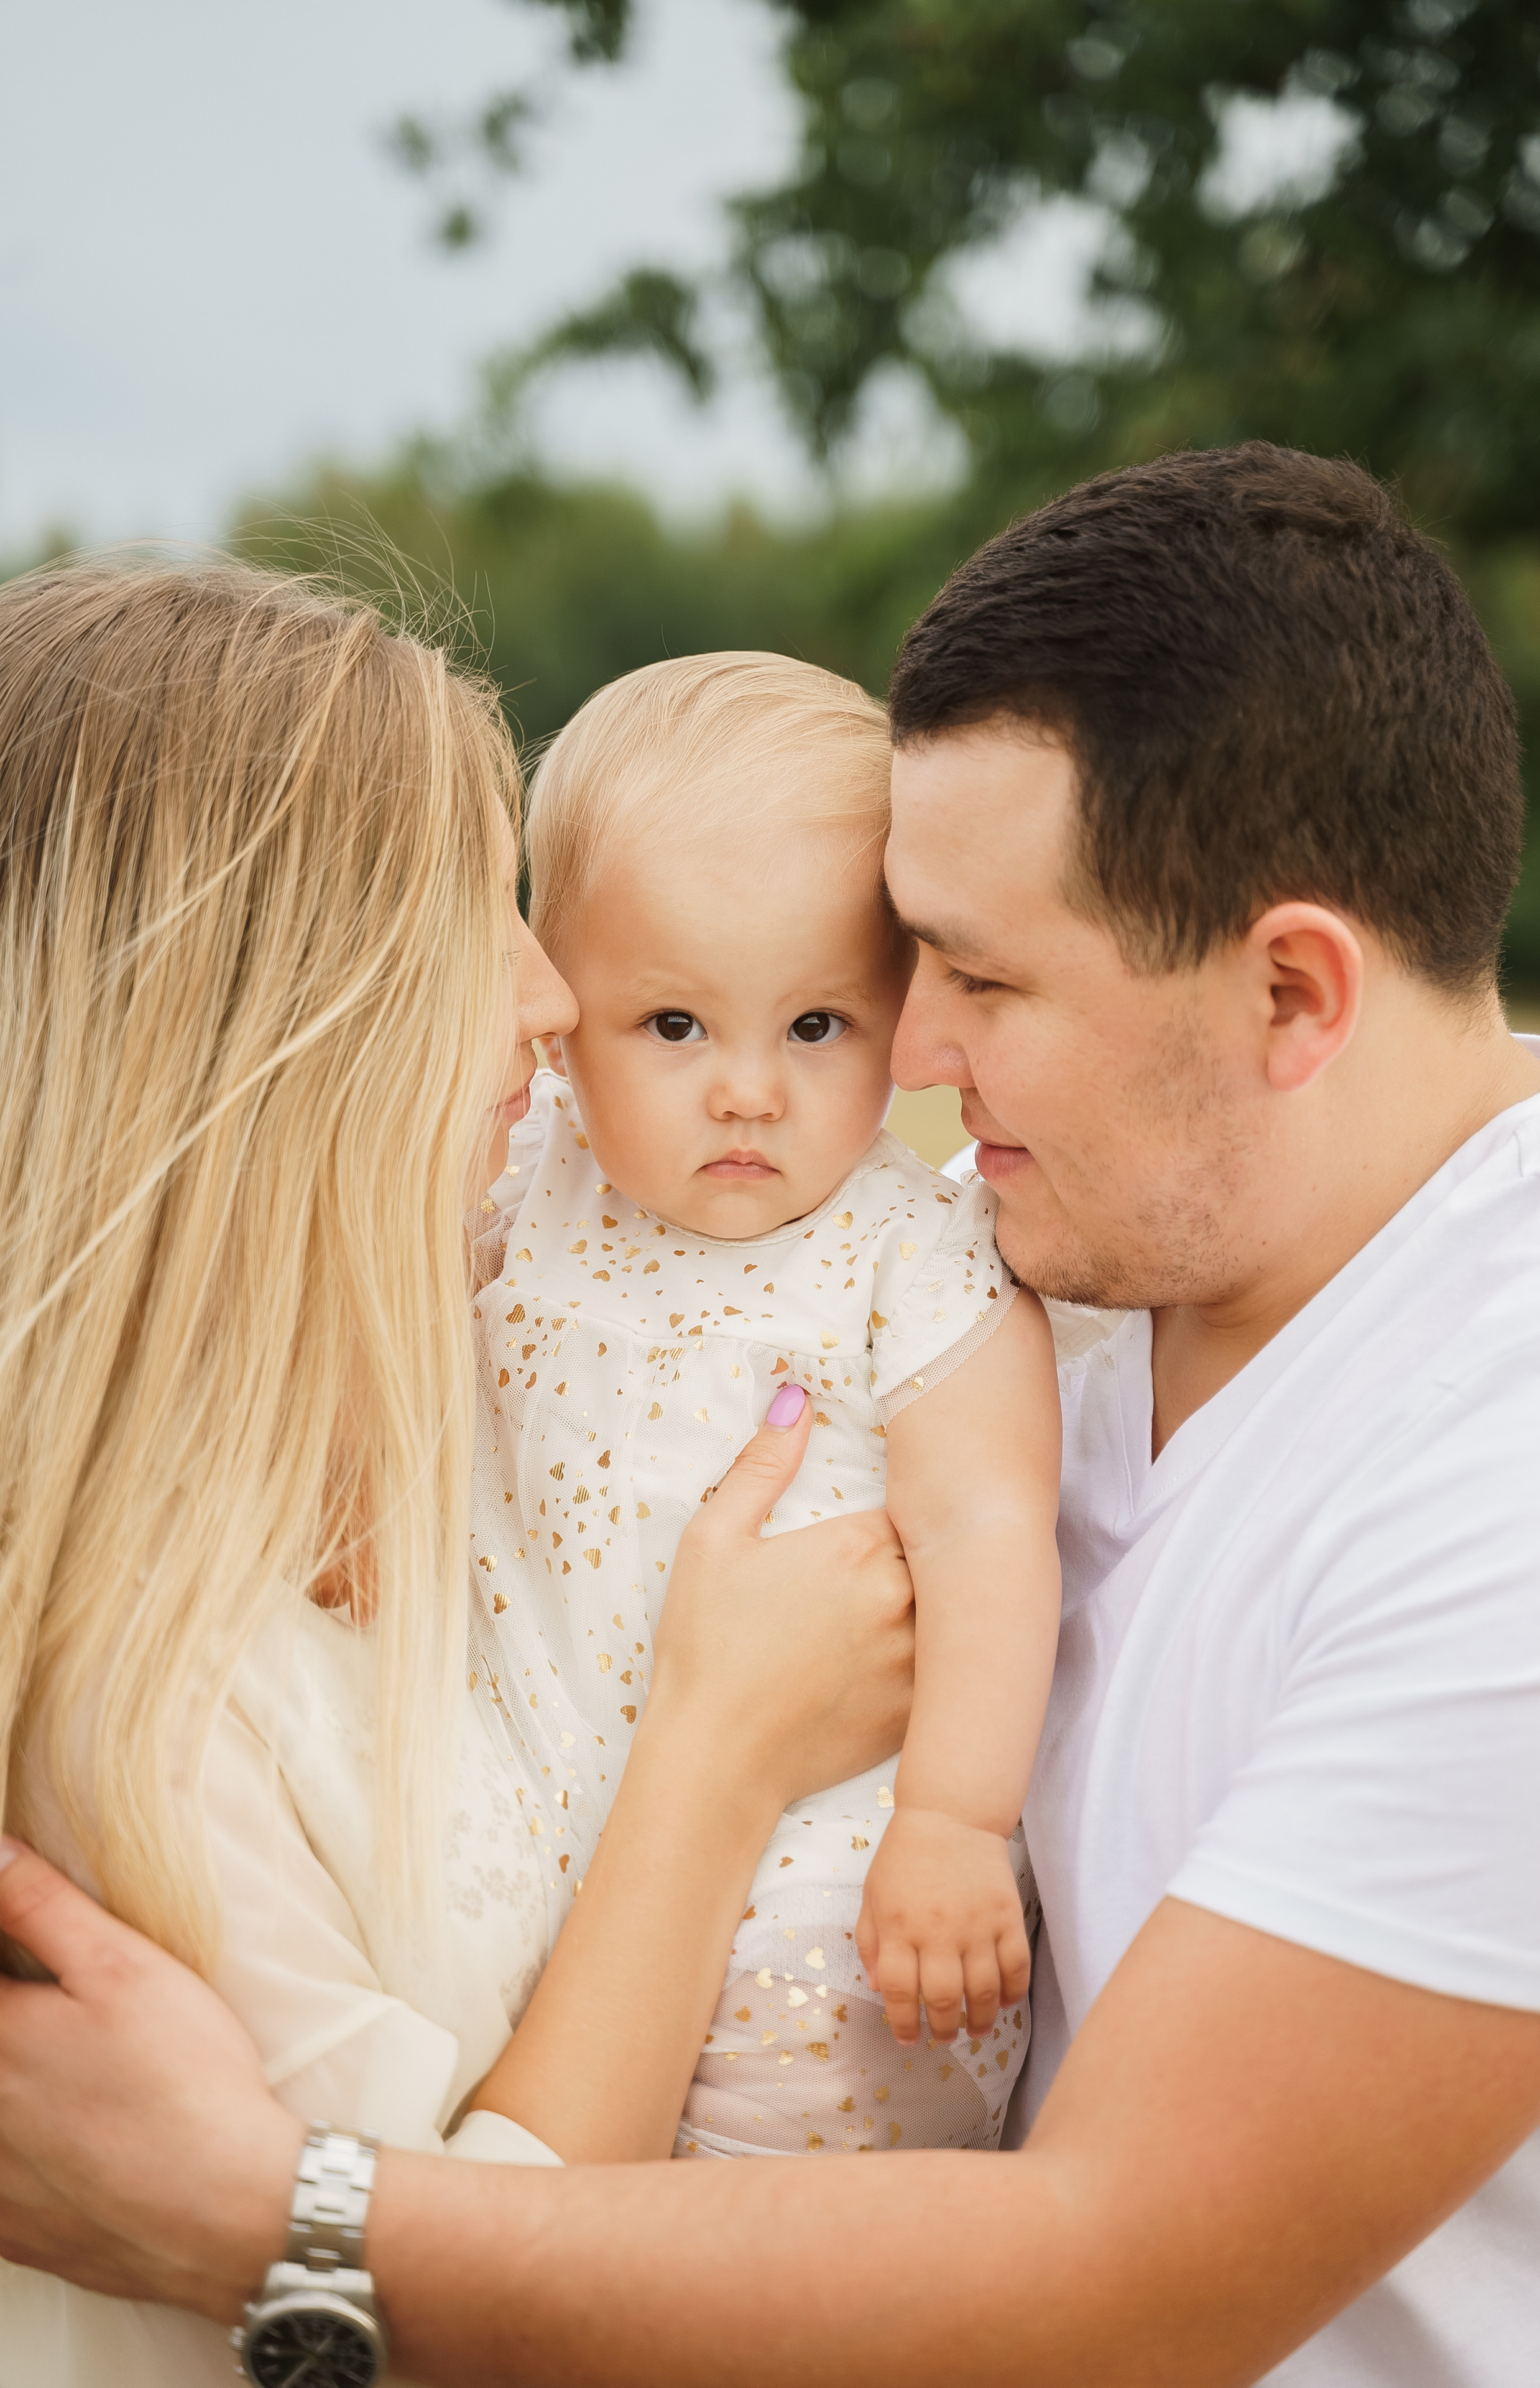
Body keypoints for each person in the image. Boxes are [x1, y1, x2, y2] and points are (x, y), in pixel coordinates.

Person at [2, 443, 1540, 2388]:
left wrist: (277, 2218)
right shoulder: (1051, 1284)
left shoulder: (1536, 1456)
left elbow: (1123, 2278)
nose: (907, 1058)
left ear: (1289, 998)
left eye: (978, 980)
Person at [0, 560, 913, 2386]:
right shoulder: (124, 1706)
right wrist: (719, 1758)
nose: (552, 994)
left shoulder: (410, 1414)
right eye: (470, 917)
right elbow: (448, 2327)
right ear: (263, 1031)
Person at [466, 653, 1060, 2160]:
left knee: (773, 2268)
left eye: (813, 1028)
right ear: (556, 1006)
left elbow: (992, 1533)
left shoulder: (909, 1252)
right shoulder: (523, 1182)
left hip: (840, 1910)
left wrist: (953, 1821)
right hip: (545, 1849)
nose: (746, 1093)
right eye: (673, 1027)